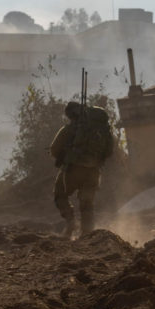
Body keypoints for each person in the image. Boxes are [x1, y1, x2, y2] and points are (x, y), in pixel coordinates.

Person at [50, 101, 113, 239]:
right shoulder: (102, 130)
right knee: (87, 203)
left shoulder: (69, 129)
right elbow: (109, 152)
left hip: (72, 170)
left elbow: (54, 150)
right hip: (94, 172)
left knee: (60, 194)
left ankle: (71, 222)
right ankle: (87, 234)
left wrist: (67, 154)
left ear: (69, 115)